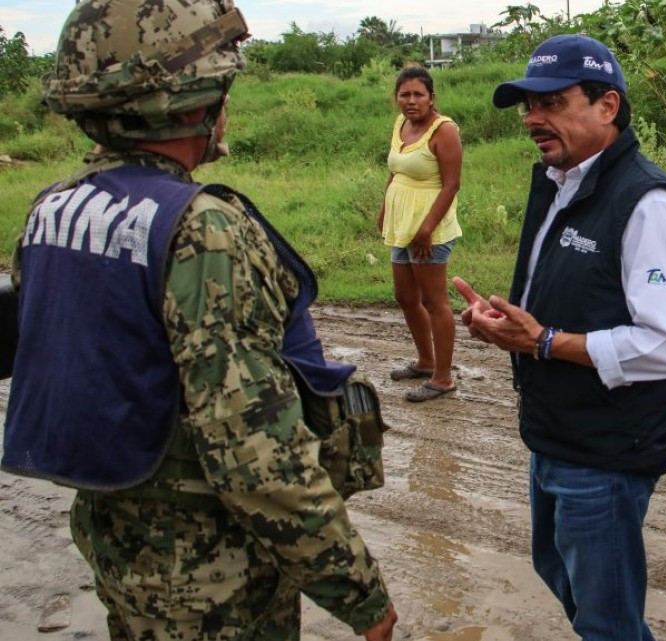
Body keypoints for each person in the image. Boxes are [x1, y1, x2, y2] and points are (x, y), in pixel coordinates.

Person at [0, 1, 397, 639]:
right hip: (215, 574)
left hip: (117, 546)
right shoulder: (205, 229)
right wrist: (357, 591)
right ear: (192, 105)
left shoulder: (54, 207)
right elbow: (254, 450)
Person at [453, 34, 666, 640]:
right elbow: (553, 294)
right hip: (553, 431)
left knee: (606, 620)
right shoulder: (558, 178)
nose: (533, 119)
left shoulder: (648, 203)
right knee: (558, 571)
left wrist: (542, 341)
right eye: (527, 107)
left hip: (605, 447)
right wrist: (507, 323)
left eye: (552, 103)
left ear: (607, 106)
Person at [378, 66, 463, 402]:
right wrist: (385, 210)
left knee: (434, 300)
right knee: (405, 297)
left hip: (430, 227)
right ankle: (426, 361)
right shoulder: (401, 125)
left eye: (418, 94)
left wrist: (426, 229)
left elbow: (452, 184)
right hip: (401, 224)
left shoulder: (444, 131)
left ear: (431, 98)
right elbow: (395, 170)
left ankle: (443, 378)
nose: (411, 101)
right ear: (396, 98)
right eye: (405, 94)